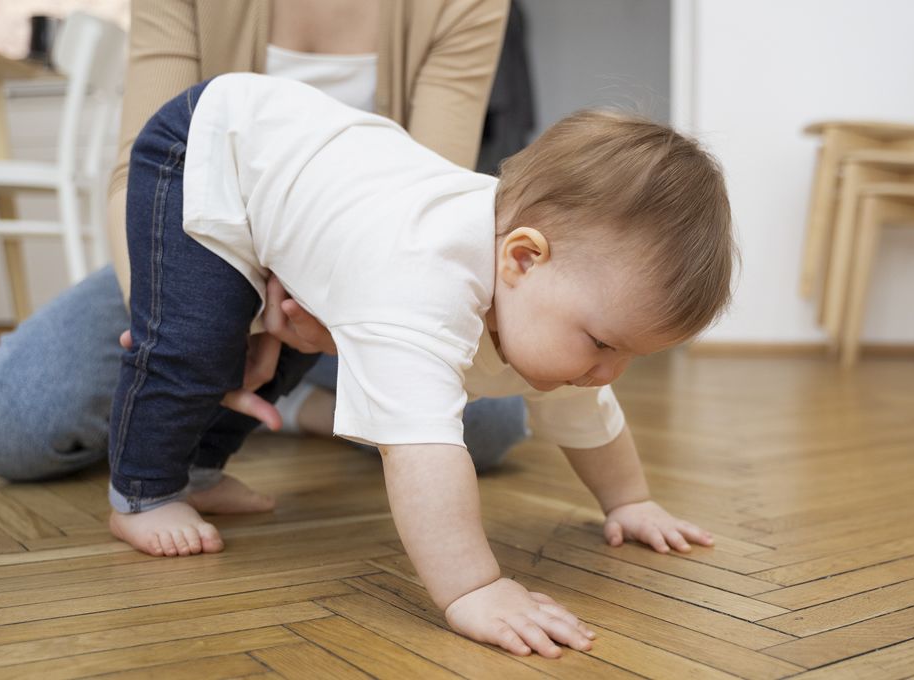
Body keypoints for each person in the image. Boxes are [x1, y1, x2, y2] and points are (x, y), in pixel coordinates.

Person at [107, 73, 734, 658]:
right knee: (195, 345)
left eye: (630, 354)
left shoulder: (548, 294)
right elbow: (418, 451)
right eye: (602, 343)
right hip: (212, 147)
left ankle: (199, 469)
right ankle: (141, 493)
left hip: (314, 183)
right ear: (520, 259)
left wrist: (629, 500)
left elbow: (586, 412)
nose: (608, 372)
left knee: (291, 344)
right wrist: (473, 587)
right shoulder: (420, 284)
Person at [0, 0, 528, 482]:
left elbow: (423, 207)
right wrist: (182, 331)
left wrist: (299, 315)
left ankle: (286, 400)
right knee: (15, 421)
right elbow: (138, 171)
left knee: (491, 423)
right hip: (191, 247)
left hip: (363, 281)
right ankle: (271, 399)